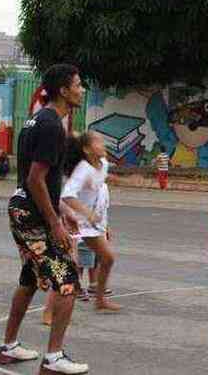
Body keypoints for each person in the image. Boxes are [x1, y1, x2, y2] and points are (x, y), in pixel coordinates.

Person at [0, 64, 89, 374]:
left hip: (24, 209)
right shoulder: (51, 126)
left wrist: (62, 209)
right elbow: (35, 179)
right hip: (32, 216)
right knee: (67, 282)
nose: (82, 89)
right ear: (64, 90)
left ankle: (8, 347)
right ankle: (54, 358)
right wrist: (54, 221)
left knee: (30, 278)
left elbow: (36, 180)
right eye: (78, 85)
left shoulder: (37, 120)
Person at [59, 131, 120, 312]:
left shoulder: (103, 164)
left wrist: (119, 179)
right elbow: (67, 196)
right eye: (97, 142)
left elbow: (100, 179)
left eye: (102, 141)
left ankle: (100, 300)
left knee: (108, 258)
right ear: (86, 149)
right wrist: (87, 213)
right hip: (72, 221)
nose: (103, 144)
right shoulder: (83, 168)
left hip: (91, 225)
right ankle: (50, 311)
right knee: (69, 268)